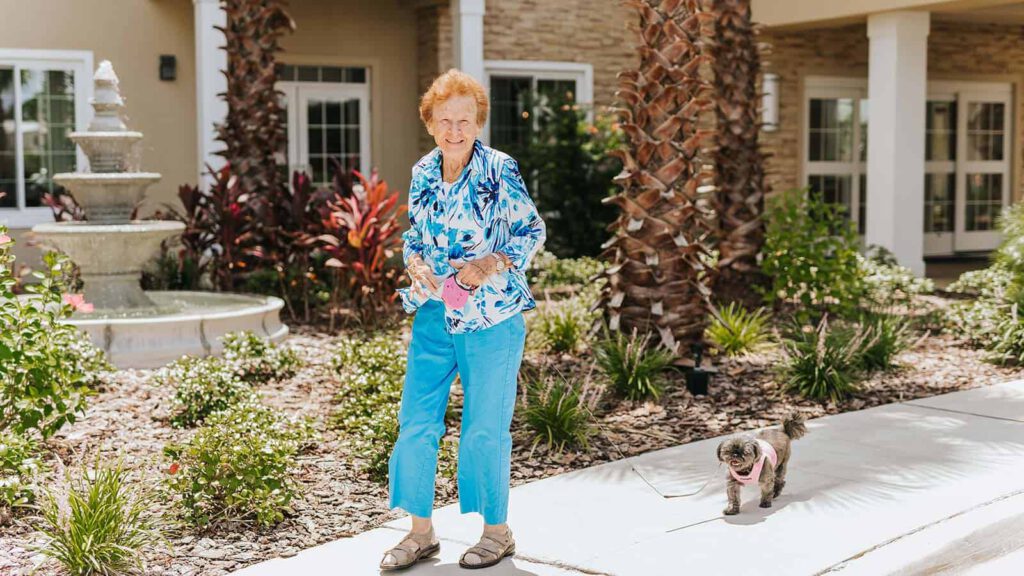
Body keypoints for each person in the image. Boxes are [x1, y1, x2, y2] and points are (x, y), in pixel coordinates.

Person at [379, 68, 546, 571]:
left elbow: (530, 231)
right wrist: (413, 262)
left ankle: (497, 532)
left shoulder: (500, 169)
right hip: (434, 313)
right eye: (446, 120)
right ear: (430, 122)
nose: (455, 130)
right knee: (415, 424)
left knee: (483, 429)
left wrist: (486, 266)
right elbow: (415, 234)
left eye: (466, 120)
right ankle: (420, 533)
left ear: (479, 124)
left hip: (492, 317)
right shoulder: (424, 171)